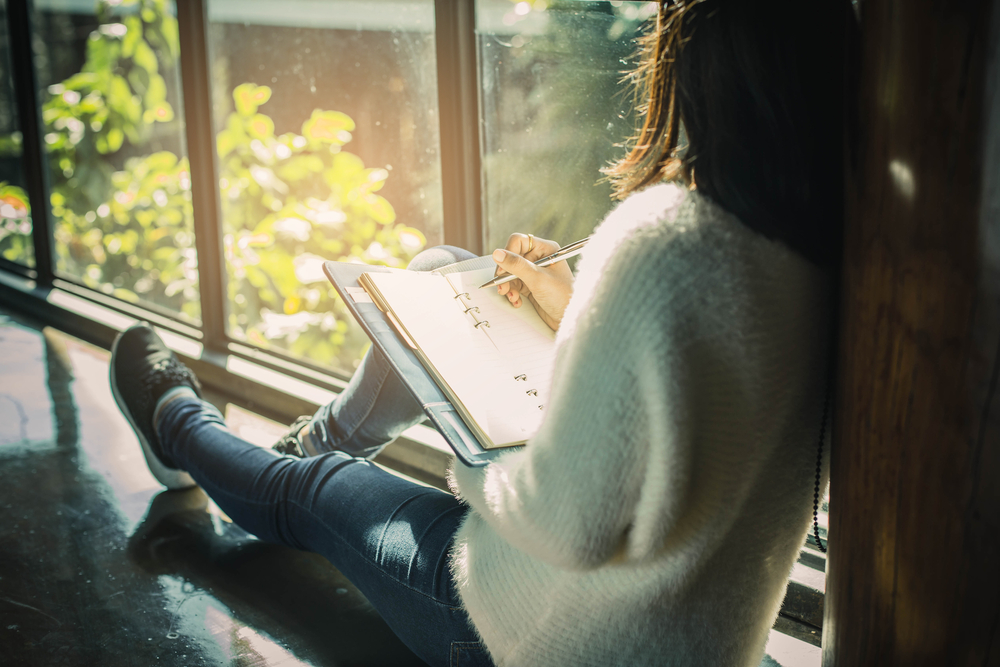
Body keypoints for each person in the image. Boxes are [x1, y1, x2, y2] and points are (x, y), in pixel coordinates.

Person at [109, 1, 848, 665]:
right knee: (444, 271)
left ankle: (177, 422)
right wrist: (574, 315)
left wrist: (469, 451)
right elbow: (701, 413)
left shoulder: (665, 236)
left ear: (698, 73)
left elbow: (565, 525)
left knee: (312, 489)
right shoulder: (834, 263)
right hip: (704, 642)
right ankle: (315, 439)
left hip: (541, 634)